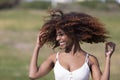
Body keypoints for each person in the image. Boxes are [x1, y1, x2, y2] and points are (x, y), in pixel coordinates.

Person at [29, 9, 116, 80]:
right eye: (57, 35)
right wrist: (38, 46)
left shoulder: (90, 60)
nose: (57, 38)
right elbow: (33, 75)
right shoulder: (55, 58)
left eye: (61, 34)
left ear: (72, 34)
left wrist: (108, 58)